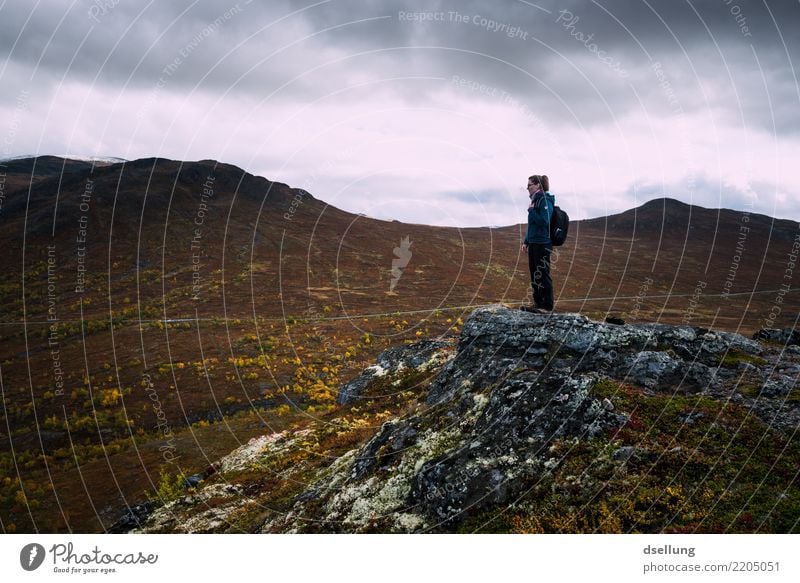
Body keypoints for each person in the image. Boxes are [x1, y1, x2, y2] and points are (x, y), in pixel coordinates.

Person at [521, 174, 555, 313]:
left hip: (543, 243)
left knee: (542, 273)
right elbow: (532, 225)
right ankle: (538, 303)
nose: (527, 187)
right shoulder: (535, 200)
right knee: (534, 273)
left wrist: (531, 211)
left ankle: (547, 305)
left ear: (538, 185)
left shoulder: (545, 200)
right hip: (534, 242)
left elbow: (544, 221)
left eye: (529, 185)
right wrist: (526, 241)